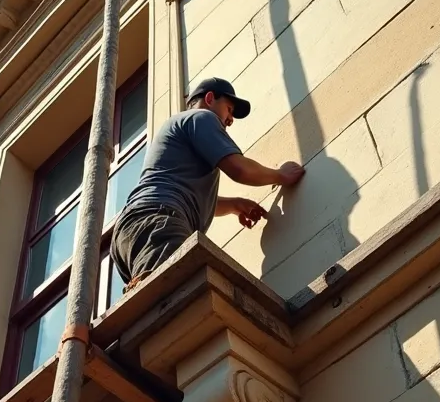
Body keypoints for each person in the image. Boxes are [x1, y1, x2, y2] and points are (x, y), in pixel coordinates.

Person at [112, 77, 305, 290]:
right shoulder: (202, 117)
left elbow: (186, 192)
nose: (230, 120)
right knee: (180, 297)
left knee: (157, 298)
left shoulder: (178, 126)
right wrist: (280, 175)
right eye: (229, 109)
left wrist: (234, 205)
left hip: (134, 231)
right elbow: (239, 169)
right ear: (210, 98)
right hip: (158, 223)